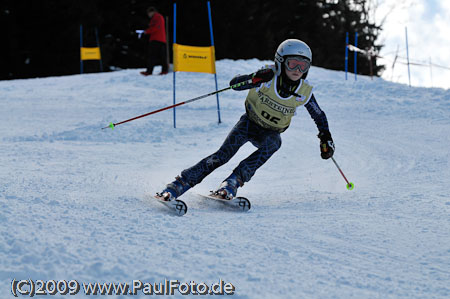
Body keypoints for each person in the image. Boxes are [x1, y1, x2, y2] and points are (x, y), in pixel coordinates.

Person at [158, 39, 335, 201]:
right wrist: (254, 79)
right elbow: (234, 84)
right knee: (222, 156)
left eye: (303, 66)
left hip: (270, 133)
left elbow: (318, 115)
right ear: (280, 62)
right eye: (293, 64)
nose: (297, 70)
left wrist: (325, 136)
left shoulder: (304, 91)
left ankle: (232, 183)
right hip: (248, 124)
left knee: (274, 143)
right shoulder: (268, 77)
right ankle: (179, 184)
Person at [140, 7, 168, 76]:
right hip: (161, 39)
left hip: (156, 39)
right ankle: (164, 70)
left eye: (148, 13)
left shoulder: (157, 17)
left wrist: (146, 31)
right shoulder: (158, 17)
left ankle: (149, 71)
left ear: (152, 12)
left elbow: (156, 27)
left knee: (152, 56)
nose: (148, 15)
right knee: (162, 56)